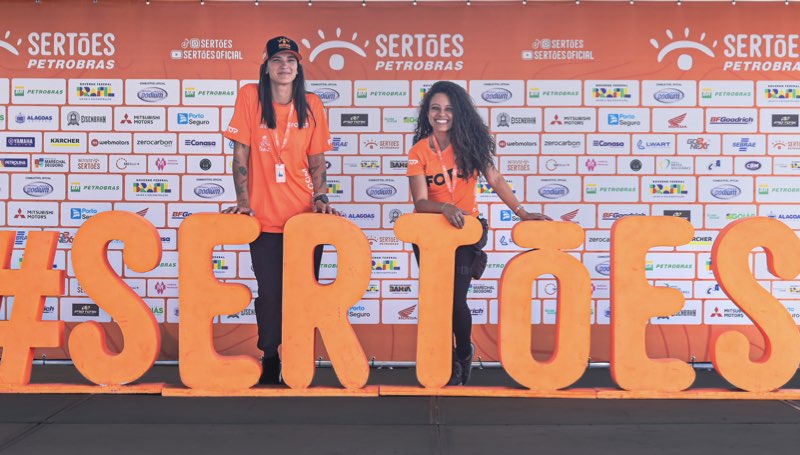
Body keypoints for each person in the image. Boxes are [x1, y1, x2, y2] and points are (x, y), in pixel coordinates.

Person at [406, 81, 551, 385]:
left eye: (448, 109)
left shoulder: (470, 144)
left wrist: (522, 212)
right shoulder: (419, 151)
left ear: (458, 113)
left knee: (455, 300)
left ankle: (463, 352)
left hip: (465, 232)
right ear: (427, 113)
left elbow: (495, 179)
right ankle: (444, 362)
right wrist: (444, 208)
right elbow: (420, 202)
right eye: (435, 108)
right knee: (436, 303)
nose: (441, 114)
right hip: (431, 236)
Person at [223, 36, 335, 385]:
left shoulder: (312, 104)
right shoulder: (250, 96)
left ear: (298, 68)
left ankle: (298, 358)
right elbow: (240, 154)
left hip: (304, 221)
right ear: (266, 66)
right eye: (277, 60)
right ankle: (270, 355)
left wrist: (321, 196)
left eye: (290, 60)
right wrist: (243, 202)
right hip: (265, 220)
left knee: (303, 294)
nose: (284, 66)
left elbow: (317, 159)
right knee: (270, 295)